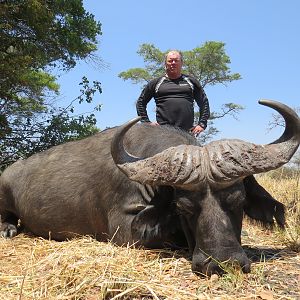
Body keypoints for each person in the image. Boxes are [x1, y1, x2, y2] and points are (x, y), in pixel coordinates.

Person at [136, 50, 210, 136]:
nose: (173, 63)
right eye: (170, 60)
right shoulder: (156, 83)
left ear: (181, 63)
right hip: (163, 133)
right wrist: (146, 122)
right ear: (165, 63)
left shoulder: (191, 81)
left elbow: (204, 102)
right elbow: (141, 102)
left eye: (176, 60)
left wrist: (202, 124)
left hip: (187, 133)